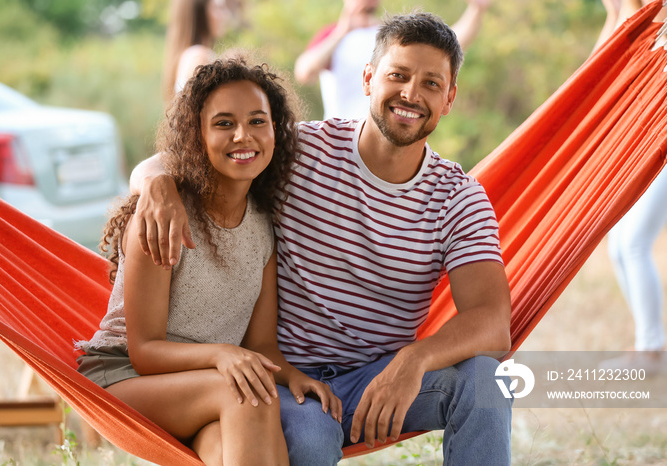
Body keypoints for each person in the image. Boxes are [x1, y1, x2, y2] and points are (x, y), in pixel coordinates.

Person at [131, 13, 513, 465]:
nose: (411, 94)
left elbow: (493, 323)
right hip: (287, 380)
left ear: (449, 98)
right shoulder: (302, 151)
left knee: (489, 383)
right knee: (310, 440)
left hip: (382, 377)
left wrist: (413, 362)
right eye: (398, 75)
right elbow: (183, 156)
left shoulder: (458, 198)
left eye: (431, 83)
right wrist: (157, 183)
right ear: (368, 79)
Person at [75, 58, 341, 466]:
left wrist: (294, 376)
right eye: (223, 123)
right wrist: (221, 355)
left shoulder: (262, 225)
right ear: (196, 135)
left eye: (257, 121)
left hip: (205, 386)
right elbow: (144, 350)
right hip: (125, 377)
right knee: (248, 393)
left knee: (223, 450)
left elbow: (260, 345)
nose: (242, 136)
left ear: (275, 131)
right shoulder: (165, 216)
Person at [596, 0, 667, 374]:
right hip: (649, 142)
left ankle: (651, 349)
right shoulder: (645, 20)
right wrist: (614, 12)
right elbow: (598, 65)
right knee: (621, 243)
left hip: (662, 146)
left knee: (634, 241)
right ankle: (648, 342)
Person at [293, 0, 492, 120]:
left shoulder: (392, 36)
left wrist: (476, 10)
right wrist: (343, 30)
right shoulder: (333, 36)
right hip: (342, 136)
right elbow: (304, 72)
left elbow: (451, 45)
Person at [161, 0, 232, 103]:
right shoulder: (199, 56)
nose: (226, 15)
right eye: (218, 8)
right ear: (200, 14)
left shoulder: (189, 55)